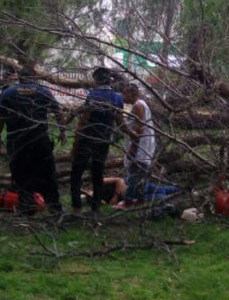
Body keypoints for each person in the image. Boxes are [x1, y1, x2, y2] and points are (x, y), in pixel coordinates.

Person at [0, 67, 66, 215]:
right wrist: (62, 131)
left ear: (19, 78)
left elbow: (0, 117)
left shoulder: (8, 93)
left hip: (17, 141)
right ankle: (54, 208)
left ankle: (26, 207)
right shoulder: (43, 91)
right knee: (48, 174)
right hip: (40, 140)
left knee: (21, 175)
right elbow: (58, 112)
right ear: (35, 78)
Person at [69, 67, 124, 215]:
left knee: (76, 172)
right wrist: (132, 134)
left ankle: (77, 208)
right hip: (104, 140)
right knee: (97, 173)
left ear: (96, 80)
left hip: (87, 138)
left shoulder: (92, 95)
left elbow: (84, 120)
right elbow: (120, 121)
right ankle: (95, 208)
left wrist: (76, 142)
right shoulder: (117, 97)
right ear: (109, 80)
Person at [115, 83, 155, 208]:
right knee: (142, 173)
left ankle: (128, 201)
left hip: (140, 145)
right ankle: (141, 199)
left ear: (132, 93)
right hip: (145, 143)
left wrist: (133, 148)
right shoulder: (141, 104)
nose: (123, 96)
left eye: (125, 93)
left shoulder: (138, 105)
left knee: (134, 172)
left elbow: (139, 128)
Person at [81, 177, 179, 208]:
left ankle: (181, 189)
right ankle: (175, 196)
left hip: (132, 185)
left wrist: (116, 195)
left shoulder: (100, 183)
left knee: (161, 189)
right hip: (131, 198)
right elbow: (108, 206)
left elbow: (119, 180)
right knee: (158, 196)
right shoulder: (100, 200)